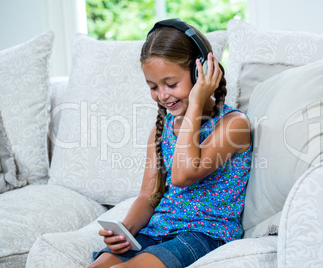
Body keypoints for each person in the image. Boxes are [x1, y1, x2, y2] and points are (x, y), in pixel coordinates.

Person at [88, 18, 252, 268]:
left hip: (202, 235)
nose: (162, 95)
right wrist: (124, 232)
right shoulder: (162, 127)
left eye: (171, 84)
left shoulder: (232, 125)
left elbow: (183, 174)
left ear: (201, 75)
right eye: (153, 87)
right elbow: (148, 196)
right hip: (156, 230)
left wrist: (196, 103)